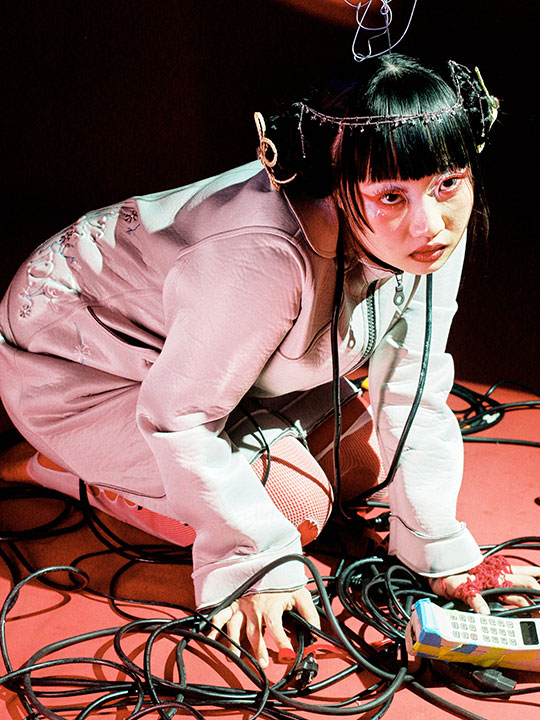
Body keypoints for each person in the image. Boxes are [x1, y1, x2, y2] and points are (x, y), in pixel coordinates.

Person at [0, 53, 538, 668]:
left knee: (360, 465)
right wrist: (252, 557)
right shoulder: (264, 253)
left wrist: (439, 548)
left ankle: (188, 462)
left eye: (448, 184)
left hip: (212, 365)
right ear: (336, 185)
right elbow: (178, 418)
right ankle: (61, 464)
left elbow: (413, 383)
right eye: (391, 196)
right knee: (298, 506)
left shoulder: (431, 227)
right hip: (76, 371)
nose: (430, 223)